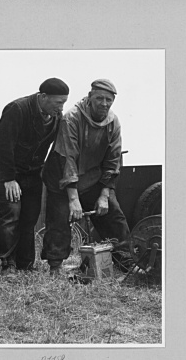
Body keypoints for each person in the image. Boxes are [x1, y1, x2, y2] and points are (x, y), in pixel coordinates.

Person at [41, 79, 130, 274]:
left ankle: (125, 261)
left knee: (114, 216)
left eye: (109, 100)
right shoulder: (71, 118)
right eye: (99, 98)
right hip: (61, 180)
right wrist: (73, 199)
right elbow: (68, 158)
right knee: (59, 220)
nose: (104, 104)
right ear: (90, 98)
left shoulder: (113, 122)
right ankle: (55, 267)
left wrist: (105, 195)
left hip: (92, 179)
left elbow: (113, 161)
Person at [0, 78, 69, 273]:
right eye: (58, 102)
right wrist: (8, 179)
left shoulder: (56, 117)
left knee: (29, 219)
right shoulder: (17, 109)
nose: (61, 108)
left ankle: (25, 266)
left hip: (33, 175)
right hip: (9, 174)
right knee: (11, 216)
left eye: (64, 103)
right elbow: (1, 145)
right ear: (43, 97)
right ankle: (7, 265)